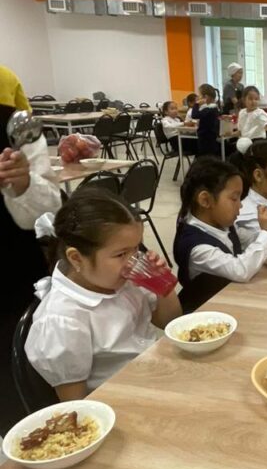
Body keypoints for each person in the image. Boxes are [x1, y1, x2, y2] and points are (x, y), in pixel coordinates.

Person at [26, 190, 182, 401]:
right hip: (122, 403)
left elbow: (171, 322)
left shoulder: (120, 280)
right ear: (76, 258)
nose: (133, 261)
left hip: (157, 376)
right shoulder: (63, 320)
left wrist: (162, 286)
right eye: (121, 254)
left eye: (136, 249)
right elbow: (76, 405)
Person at [0, 100, 62, 427]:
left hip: (12, 278)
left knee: (27, 395)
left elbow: (47, 210)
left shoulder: (11, 123)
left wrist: (24, 184)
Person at [173, 157, 267, 286]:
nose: (240, 205)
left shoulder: (221, 223)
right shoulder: (197, 248)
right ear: (205, 200)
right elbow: (240, 270)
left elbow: (245, 238)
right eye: (234, 198)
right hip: (208, 298)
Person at [195, 83, 220, 157]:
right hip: (210, 136)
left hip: (205, 137)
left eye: (199, 95)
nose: (198, 98)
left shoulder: (208, 109)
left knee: (205, 155)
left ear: (205, 97)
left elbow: (195, 115)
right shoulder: (213, 108)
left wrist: (196, 104)